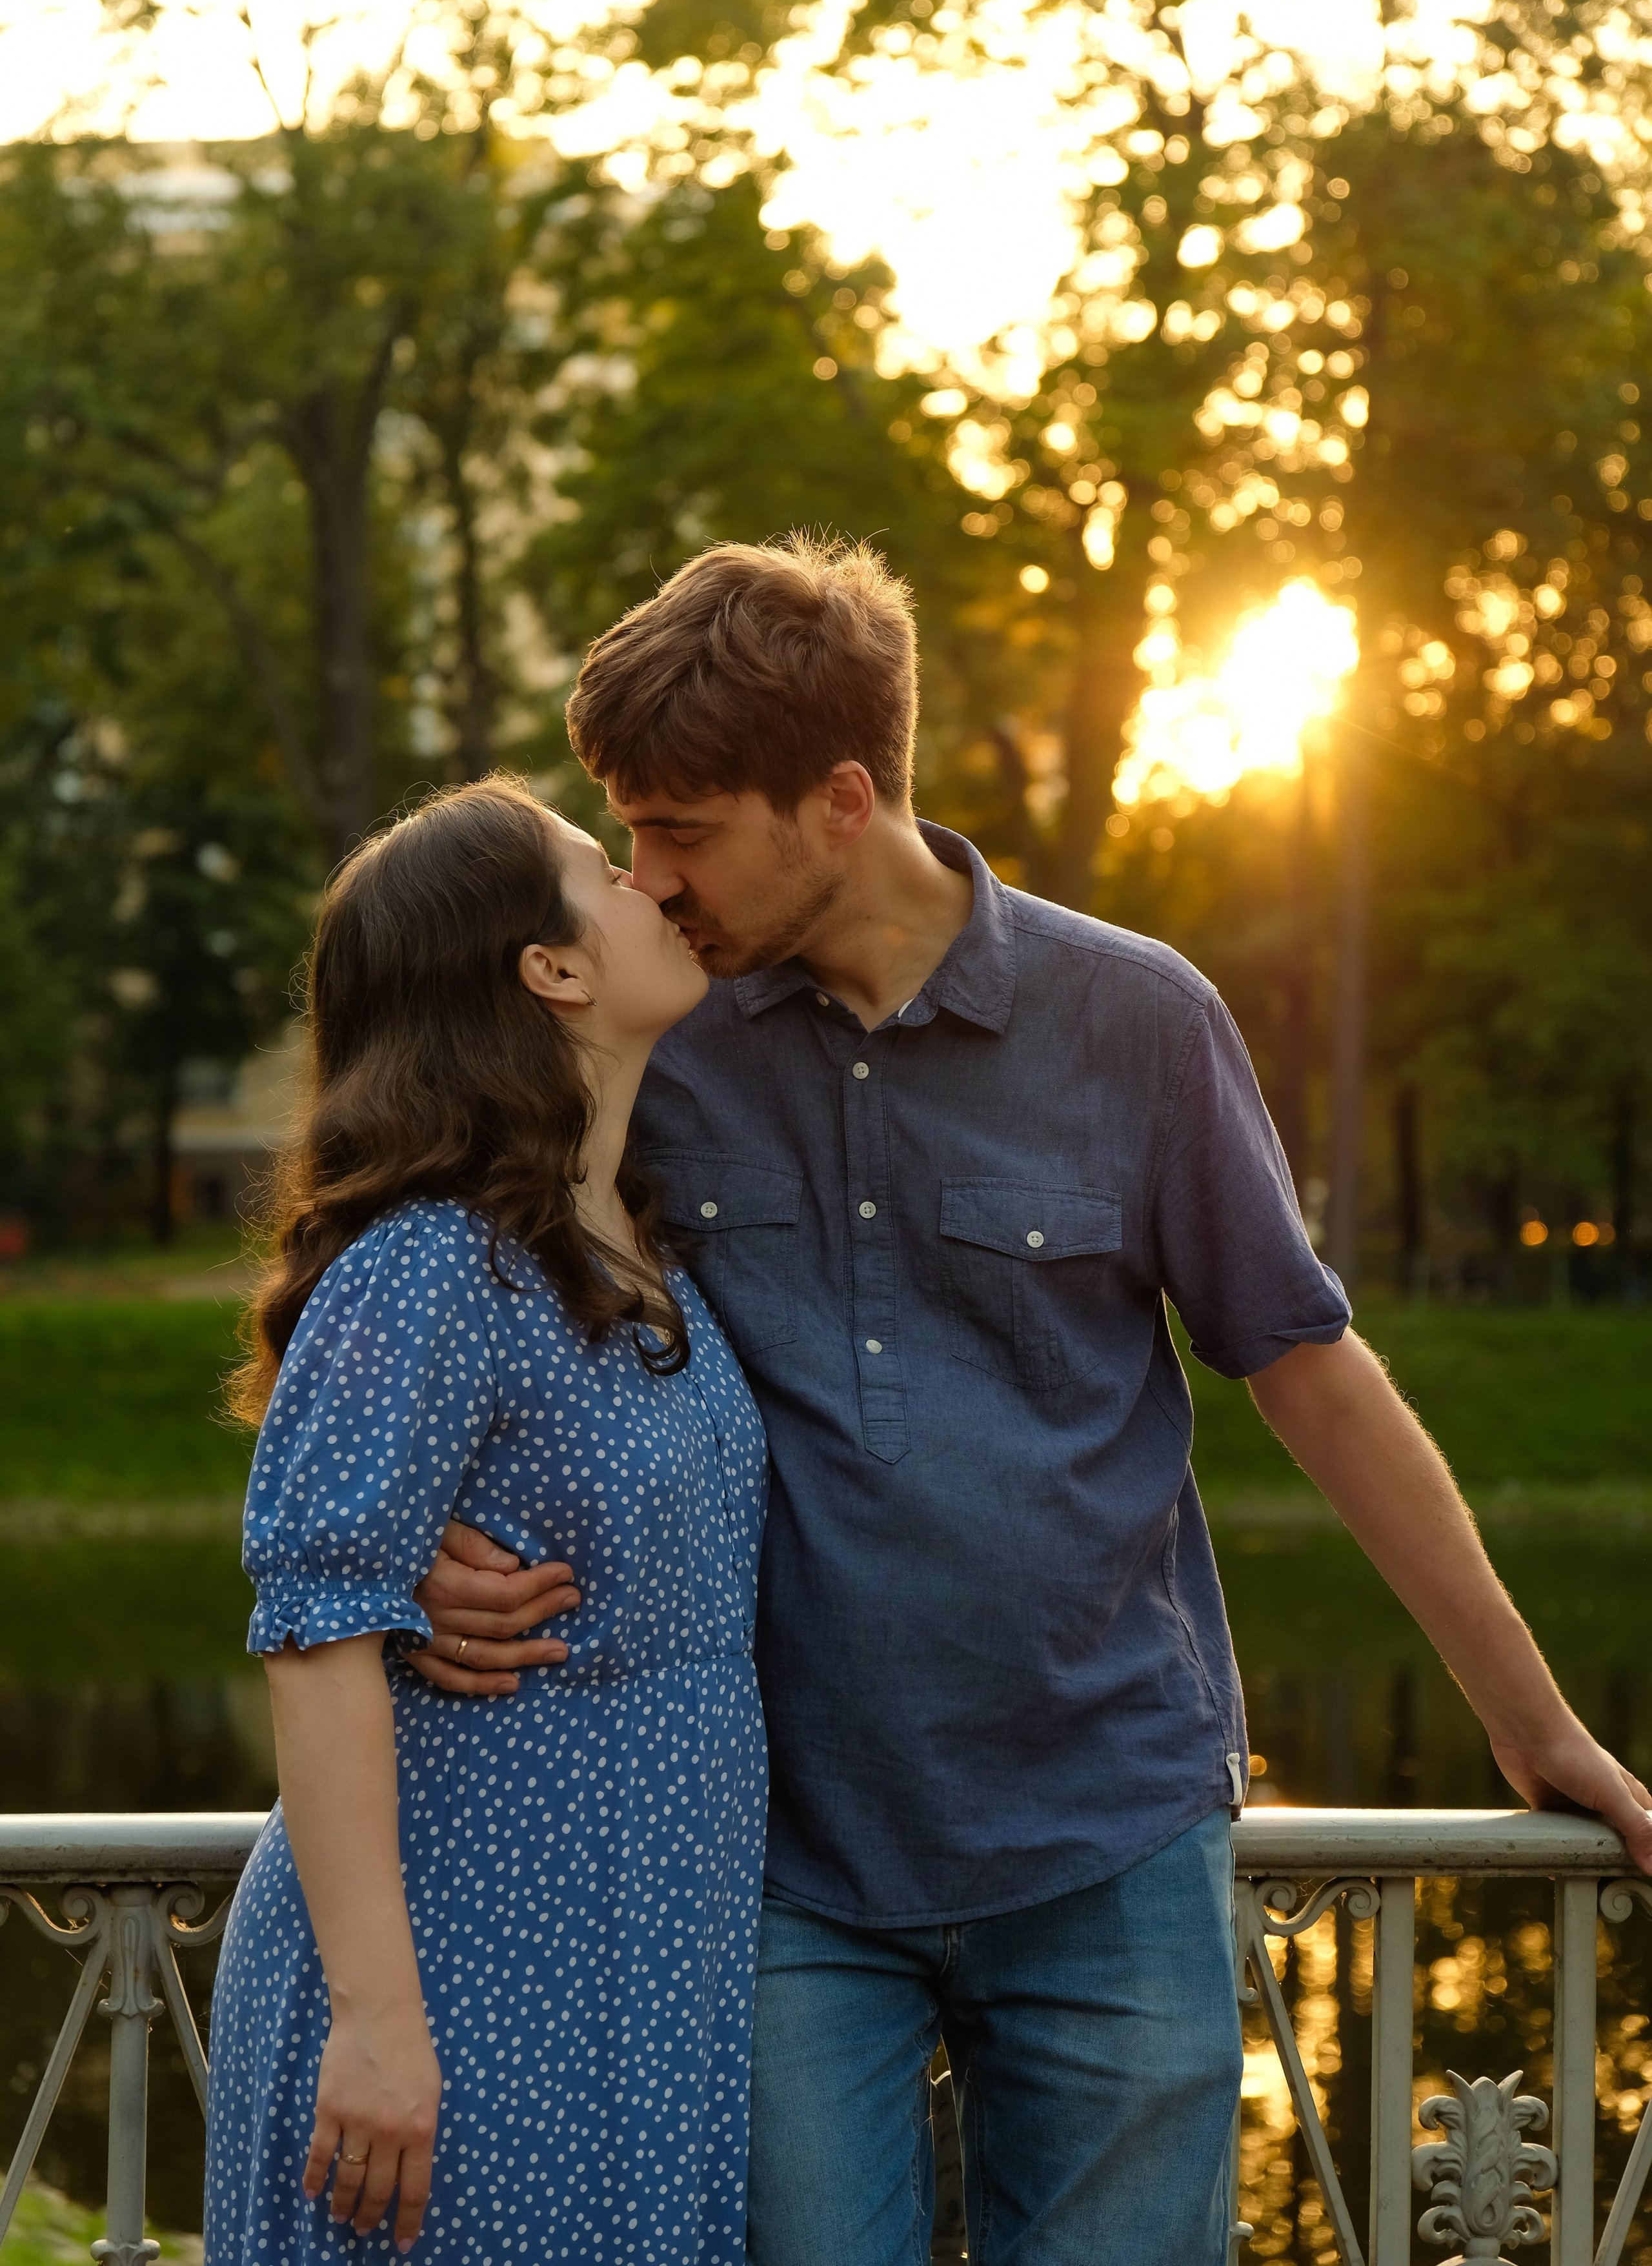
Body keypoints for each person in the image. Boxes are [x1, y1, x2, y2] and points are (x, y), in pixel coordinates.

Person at [411, 536, 1652, 2266]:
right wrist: (418, 1547)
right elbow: (442, 1305)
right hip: (779, 1862)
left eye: (680, 828)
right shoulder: (652, 1037)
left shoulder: (1137, 1019)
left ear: (839, 800)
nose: (644, 877)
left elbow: (1312, 1372)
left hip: (1109, 1840)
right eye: (629, 826)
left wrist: (1535, 1724)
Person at [205, 780, 769, 2264]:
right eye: (603, 867)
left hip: (643, 1960)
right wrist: (378, 2022)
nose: (650, 880)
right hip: (461, 1963)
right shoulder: (430, 1264)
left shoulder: (639, 1250)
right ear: (551, 967)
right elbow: (318, 1630)